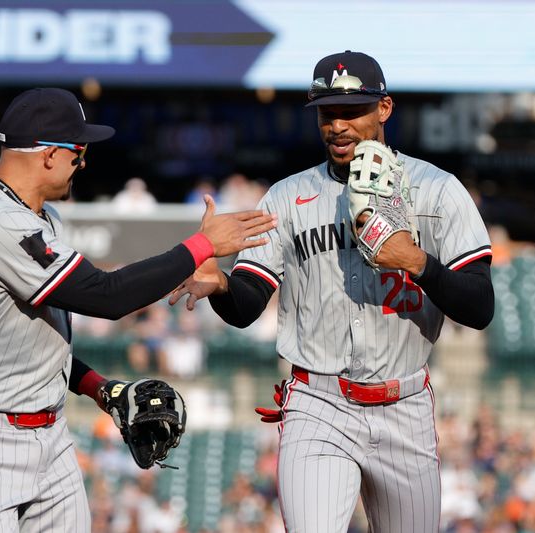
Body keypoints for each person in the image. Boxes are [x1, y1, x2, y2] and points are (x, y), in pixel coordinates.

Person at [0, 87, 276, 532]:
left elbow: (38, 338)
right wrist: (203, 245)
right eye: (78, 152)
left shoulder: (45, 218)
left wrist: (98, 388)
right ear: (49, 154)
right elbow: (107, 296)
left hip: (48, 435)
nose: (83, 163)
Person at [169, 51, 495, 532]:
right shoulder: (286, 198)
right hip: (318, 403)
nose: (338, 126)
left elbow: (480, 306)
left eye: (352, 112)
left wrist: (417, 261)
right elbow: (248, 303)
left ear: (384, 108)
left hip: (404, 403)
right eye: (327, 114)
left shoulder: (437, 191)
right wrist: (220, 285)